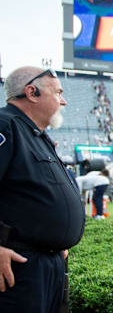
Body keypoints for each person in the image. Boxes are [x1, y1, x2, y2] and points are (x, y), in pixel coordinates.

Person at [0, 66, 84, 313]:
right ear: (32, 92)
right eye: (58, 92)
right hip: (20, 267)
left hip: (47, 264)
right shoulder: (6, 126)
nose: (64, 100)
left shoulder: (35, 134)